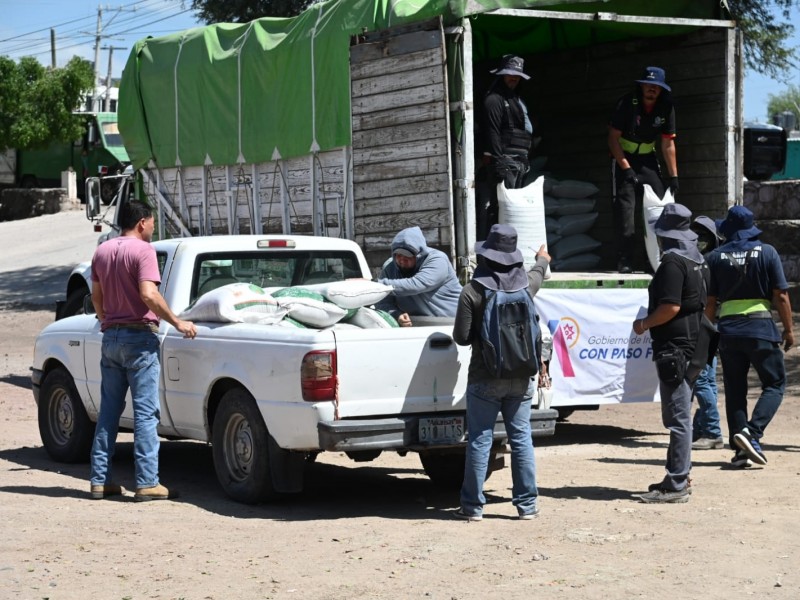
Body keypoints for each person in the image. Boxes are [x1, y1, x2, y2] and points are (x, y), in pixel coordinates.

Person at [89, 200, 197, 502]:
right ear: (142, 223)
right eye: (151, 222)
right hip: (139, 339)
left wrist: (107, 321)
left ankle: (100, 480)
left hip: (110, 337)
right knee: (146, 414)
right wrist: (177, 322)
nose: (153, 228)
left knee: (108, 412)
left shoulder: (102, 251)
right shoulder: (144, 251)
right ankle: (147, 481)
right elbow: (148, 294)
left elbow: (96, 297)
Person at [452, 224, 549, 520]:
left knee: (480, 440)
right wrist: (543, 258)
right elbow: (539, 270)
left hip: (485, 376)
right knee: (521, 439)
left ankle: (472, 508)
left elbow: (462, 337)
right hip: (522, 376)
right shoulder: (526, 286)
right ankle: (527, 506)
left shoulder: (472, 291)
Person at [705, 205, 794, 468]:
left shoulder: (714, 257)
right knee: (775, 384)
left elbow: (710, 303)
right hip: (760, 329)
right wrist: (789, 330)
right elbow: (781, 295)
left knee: (735, 391)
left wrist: (709, 334)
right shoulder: (767, 252)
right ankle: (752, 433)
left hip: (728, 332)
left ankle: (741, 451)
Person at [633, 203, 707, 503]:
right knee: (681, 415)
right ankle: (679, 474)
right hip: (694, 344)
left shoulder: (672, 264)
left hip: (675, 349)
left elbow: (671, 307)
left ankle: (677, 483)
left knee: (677, 419)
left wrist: (643, 324)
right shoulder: (698, 260)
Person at [608, 66, 679, 273]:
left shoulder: (666, 106)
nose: (652, 89)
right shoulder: (627, 103)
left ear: (661, 89)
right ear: (642, 86)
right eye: (648, 85)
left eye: (656, 86)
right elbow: (613, 139)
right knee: (625, 209)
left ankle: (655, 259)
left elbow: (668, 144)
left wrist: (673, 176)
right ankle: (625, 260)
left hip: (648, 159)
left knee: (658, 207)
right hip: (624, 158)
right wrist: (626, 169)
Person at [476, 54, 534, 240]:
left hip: (519, 162)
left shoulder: (517, 99)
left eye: (516, 75)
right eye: (509, 74)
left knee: (513, 209)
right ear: (501, 74)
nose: (513, 78)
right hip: (504, 162)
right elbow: (492, 131)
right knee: (500, 209)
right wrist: (498, 162)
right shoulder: (494, 100)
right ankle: (493, 252)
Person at [376, 226, 462, 326]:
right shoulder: (389, 268)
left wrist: (377, 285)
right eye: (398, 255)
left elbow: (417, 284)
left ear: (419, 255)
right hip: (415, 326)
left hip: (452, 323)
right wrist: (396, 314)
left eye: (407, 256)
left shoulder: (437, 260)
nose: (402, 260)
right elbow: (382, 301)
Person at [690, 216, 724, 450]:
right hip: (712, 324)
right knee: (707, 379)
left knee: (702, 380)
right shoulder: (712, 259)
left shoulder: (705, 261)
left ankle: (712, 431)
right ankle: (701, 428)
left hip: (704, 324)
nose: (699, 240)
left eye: (704, 235)